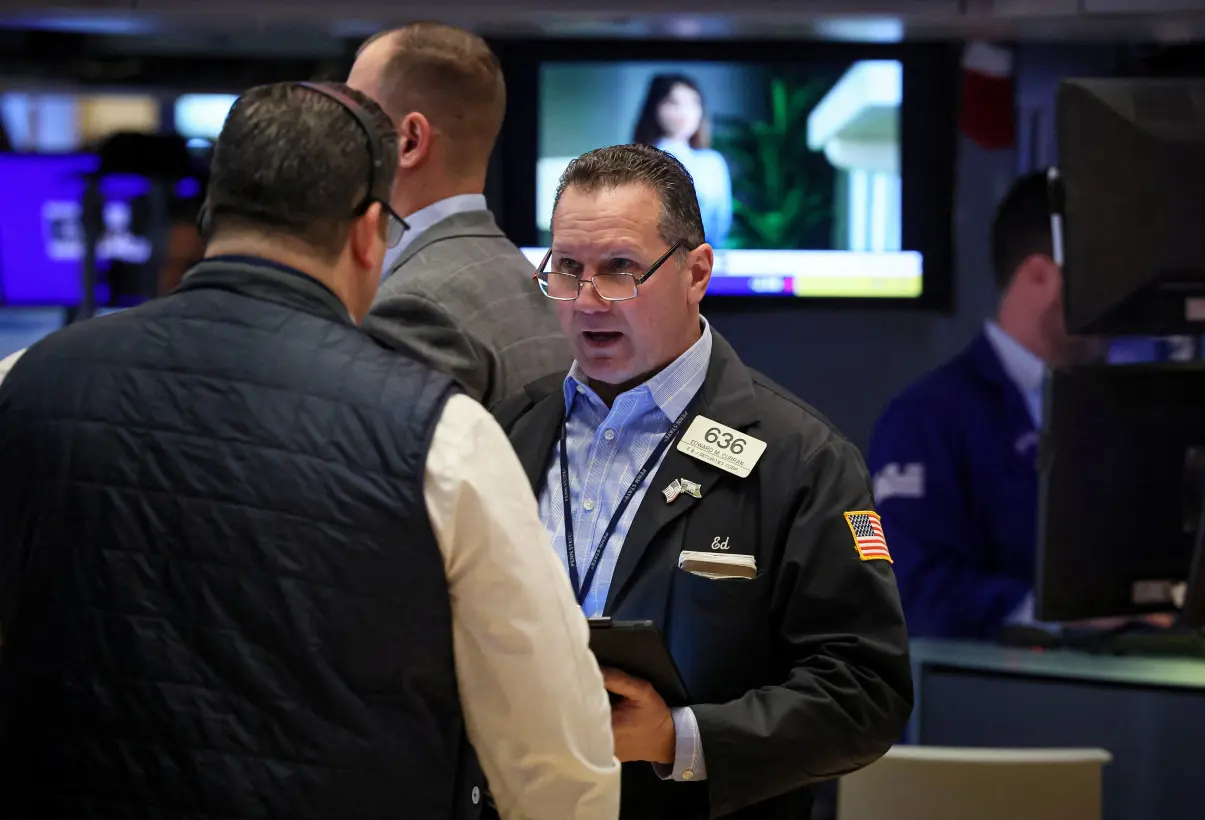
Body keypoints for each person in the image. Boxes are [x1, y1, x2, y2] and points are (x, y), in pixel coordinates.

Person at [0, 81, 619, 820]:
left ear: (210, 215)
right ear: (367, 233)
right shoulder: (440, 436)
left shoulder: (26, 382)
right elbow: (553, 749)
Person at [493, 143, 912, 820]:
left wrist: (678, 738)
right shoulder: (506, 430)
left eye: (622, 269)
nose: (589, 301)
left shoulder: (801, 458)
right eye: (567, 270)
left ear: (696, 272)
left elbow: (867, 693)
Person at [866, 171, 1105, 641]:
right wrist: (1063, 617)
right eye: (1105, 271)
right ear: (1040, 274)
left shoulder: (1125, 410)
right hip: (990, 702)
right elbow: (912, 592)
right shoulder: (926, 419)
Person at [348, 22, 571, 408]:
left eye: (352, 116)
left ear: (410, 141)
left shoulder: (412, 310)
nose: (340, 135)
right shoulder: (534, 285)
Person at [633, 73, 732, 249]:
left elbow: (721, 225)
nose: (685, 112)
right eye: (674, 103)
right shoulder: (636, 159)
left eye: (693, 103)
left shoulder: (712, 162)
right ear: (655, 108)